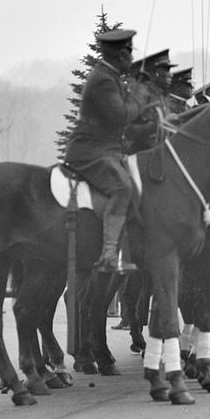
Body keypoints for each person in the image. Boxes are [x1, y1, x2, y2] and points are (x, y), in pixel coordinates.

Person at [64, 28, 143, 272]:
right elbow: (119, 116)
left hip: (105, 149)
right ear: (121, 54)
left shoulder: (110, 76)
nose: (131, 57)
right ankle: (109, 254)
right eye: (129, 52)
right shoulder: (103, 80)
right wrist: (139, 100)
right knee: (122, 187)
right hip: (90, 151)